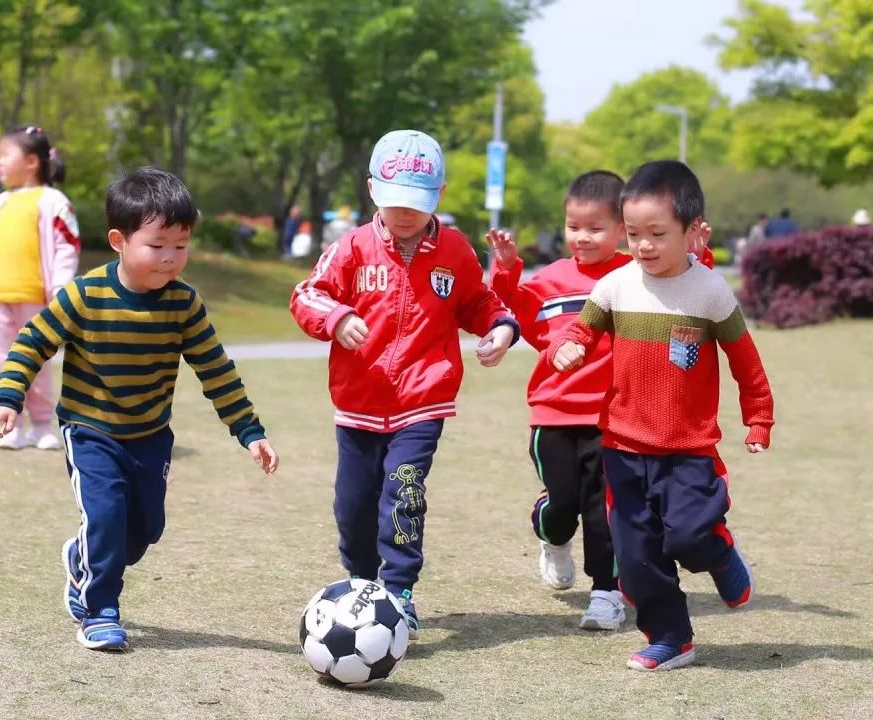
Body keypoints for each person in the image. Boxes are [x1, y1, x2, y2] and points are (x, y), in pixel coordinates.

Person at [0, 167, 279, 652]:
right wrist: (8, 399)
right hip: (91, 429)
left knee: (141, 533)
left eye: (181, 246)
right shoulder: (84, 295)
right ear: (119, 240)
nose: (170, 258)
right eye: (157, 245)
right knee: (106, 516)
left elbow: (215, 369)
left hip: (149, 434)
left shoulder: (184, 304)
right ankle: (99, 610)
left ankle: (82, 557)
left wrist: (249, 430)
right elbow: (32, 342)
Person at [289, 129, 520, 639]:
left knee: (403, 491)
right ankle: (361, 582)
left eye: (416, 202)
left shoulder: (455, 250)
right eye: (395, 202)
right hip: (358, 403)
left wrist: (501, 329)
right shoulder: (350, 247)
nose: (405, 213)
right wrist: (336, 318)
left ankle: (398, 592)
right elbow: (307, 295)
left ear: (437, 195)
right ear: (373, 190)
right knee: (352, 508)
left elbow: (479, 303)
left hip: (423, 400)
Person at [549, 160, 774, 672]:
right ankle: (672, 638)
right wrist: (569, 346)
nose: (643, 246)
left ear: (693, 232)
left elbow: (746, 363)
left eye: (657, 234)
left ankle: (718, 551)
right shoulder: (615, 286)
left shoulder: (710, 292)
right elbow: (581, 329)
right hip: (624, 448)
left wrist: (759, 417)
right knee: (636, 556)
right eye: (632, 234)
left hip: (688, 448)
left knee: (689, 537)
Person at [487, 171, 633, 631]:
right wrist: (508, 267)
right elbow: (512, 310)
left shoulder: (635, 276)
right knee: (563, 506)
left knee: (604, 508)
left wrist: (699, 251)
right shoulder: (549, 279)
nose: (582, 237)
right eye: (574, 227)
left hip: (612, 419)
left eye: (595, 228)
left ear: (622, 228)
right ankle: (551, 537)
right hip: (553, 414)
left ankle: (606, 593)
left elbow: (682, 285)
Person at [0, 126, 80, 451]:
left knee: (36, 363)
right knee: (3, 363)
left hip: (35, 297)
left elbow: (66, 246)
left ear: (31, 161)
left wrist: (60, 289)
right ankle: (12, 425)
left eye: (4, 154)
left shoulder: (54, 201)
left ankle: (41, 425)